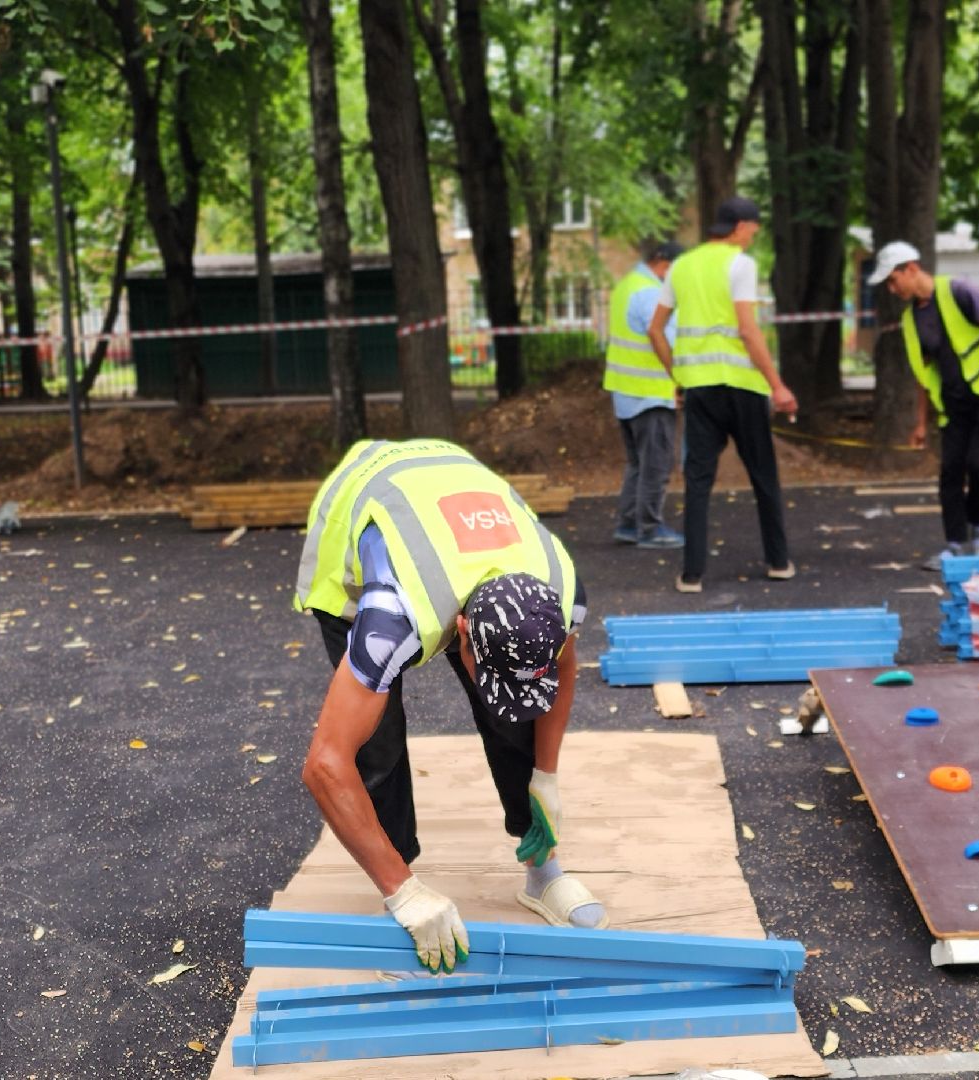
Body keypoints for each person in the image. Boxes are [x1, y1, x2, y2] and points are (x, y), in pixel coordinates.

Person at [294, 439, 604, 974]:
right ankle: (399, 896)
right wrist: (405, 892)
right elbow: (325, 764)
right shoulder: (390, 618)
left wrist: (545, 777)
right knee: (375, 747)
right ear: (460, 634)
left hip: (451, 495)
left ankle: (543, 872)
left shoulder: (559, 591)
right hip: (361, 514)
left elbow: (561, 667)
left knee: (516, 718)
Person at [646, 196, 799, 593]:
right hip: (743, 387)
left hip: (699, 388)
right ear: (739, 227)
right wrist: (778, 385)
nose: (753, 236)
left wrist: (678, 375)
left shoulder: (682, 265)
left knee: (698, 481)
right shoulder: (740, 264)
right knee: (763, 475)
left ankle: (692, 574)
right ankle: (778, 562)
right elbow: (748, 330)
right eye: (752, 230)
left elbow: (655, 330)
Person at [865, 241, 979, 569]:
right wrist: (921, 422)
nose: (892, 289)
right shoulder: (911, 320)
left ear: (911, 269)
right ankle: (955, 545)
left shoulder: (959, 292)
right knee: (951, 472)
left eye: (893, 280)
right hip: (953, 403)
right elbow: (924, 374)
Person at [605, 241, 686, 550]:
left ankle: (629, 524)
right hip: (651, 393)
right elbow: (661, 335)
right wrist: (680, 379)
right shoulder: (652, 293)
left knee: (637, 464)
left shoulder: (627, 285)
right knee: (656, 465)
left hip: (626, 391)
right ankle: (650, 529)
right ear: (665, 264)